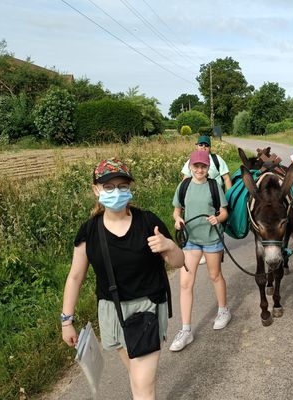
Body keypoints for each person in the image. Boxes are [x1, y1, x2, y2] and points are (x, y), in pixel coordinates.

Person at [61, 158, 184, 400]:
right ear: (95, 189)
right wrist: (66, 321)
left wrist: (168, 246)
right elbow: (75, 276)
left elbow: (179, 262)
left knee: (142, 385)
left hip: (147, 308)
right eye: (109, 187)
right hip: (111, 312)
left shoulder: (148, 222)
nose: (116, 192)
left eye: (123, 186)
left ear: (130, 188)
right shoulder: (89, 231)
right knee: (137, 376)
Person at [170, 150, 231, 352]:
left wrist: (218, 219)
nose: (199, 170)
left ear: (208, 168)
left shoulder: (214, 186)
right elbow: (177, 210)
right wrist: (178, 220)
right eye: (195, 166)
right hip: (191, 241)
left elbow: (224, 212)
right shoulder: (184, 186)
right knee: (185, 283)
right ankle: (185, 330)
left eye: (203, 166)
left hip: (212, 239)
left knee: (215, 276)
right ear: (190, 167)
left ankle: (223, 310)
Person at [181, 135, 231, 265]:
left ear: (210, 147)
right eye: (201, 145)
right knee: (201, 223)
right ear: (196, 145)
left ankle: (217, 249)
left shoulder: (217, 159)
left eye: (206, 145)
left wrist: (228, 196)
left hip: (216, 198)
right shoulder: (190, 161)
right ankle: (202, 251)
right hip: (198, 197)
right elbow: (185, 180)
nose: (203, 147)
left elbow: (226, 178)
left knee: (218, 225)